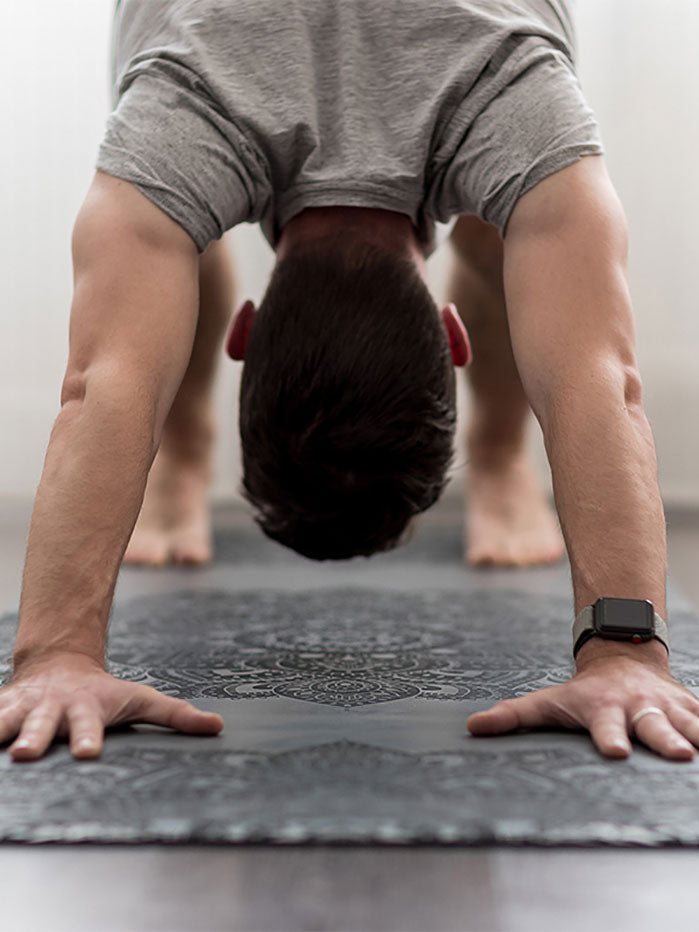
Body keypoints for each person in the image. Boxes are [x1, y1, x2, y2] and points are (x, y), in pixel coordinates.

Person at [2, 0, 697, 765]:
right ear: (451, 331)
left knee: (158, 227)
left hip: (226, 55)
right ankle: (181, 452)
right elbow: (598, 377)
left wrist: (59, 655)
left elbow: (104, 380)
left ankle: (500, 458)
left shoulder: (184, 104)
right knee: (163, 220)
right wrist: (622, 653)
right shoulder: (510, 88)